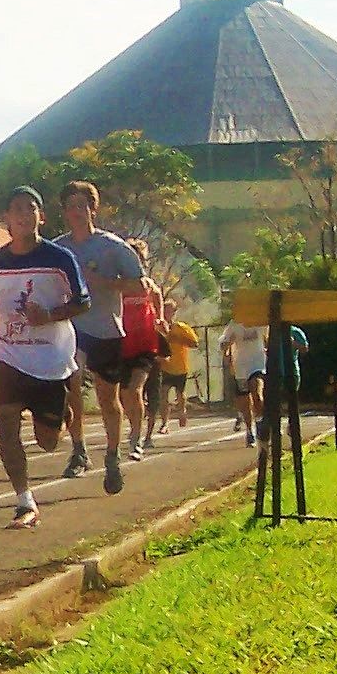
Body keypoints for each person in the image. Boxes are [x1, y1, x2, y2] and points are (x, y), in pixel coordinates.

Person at [0, 186, 91, 530]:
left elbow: (83, 302)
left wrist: (51, 314)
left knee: (47, 441)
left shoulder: (59, 259)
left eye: (31, 208)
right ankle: (23, 498)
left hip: (50, 360)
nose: (24, 215)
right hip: (8, 355)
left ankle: (62, 413)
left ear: (41, 217)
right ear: (7, 220)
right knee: (6, 425)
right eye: (16, 209)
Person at [52, 180, 149, 495]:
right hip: (71, 329)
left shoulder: (112, 246)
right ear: (64, 211)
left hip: (105, 329)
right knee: (72, 390)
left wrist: (105, 282)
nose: (77, 212)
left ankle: (112, 454)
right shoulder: (57, 248)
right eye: (71, 206)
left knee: (109, 398)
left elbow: (141, 287)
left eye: (83, 206)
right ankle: (78, 449)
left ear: (93, 209)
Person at [117, 237, 163, 460]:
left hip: (145, 344)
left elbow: (158, 295)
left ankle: (136, 439)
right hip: (121, 344)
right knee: (124, 395)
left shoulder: (147, 283)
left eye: (140, 259)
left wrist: (160, 318)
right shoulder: (118, 284)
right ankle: (134, 422)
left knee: (134, 389)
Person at [152, 300, 200, 434]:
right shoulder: (157, 327)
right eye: (164, 310)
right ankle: (164, 423)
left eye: (169, 311)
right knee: (164, 394)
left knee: (180, 395)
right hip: (165, 366)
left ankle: (182, 411)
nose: (166, 313)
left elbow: (195, 343)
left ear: (174, 312)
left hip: (180, 366)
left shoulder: (181, 327)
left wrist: (176, 338)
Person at [219, 316, 268, 446]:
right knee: (245, 404)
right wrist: (228, 344)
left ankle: (260, 424)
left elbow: (268, 337)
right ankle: (249, 430)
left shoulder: (260, 322)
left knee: (257, 394)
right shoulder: (234, 324)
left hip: (257, 364)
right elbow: (223, 344)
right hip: (240, 367)